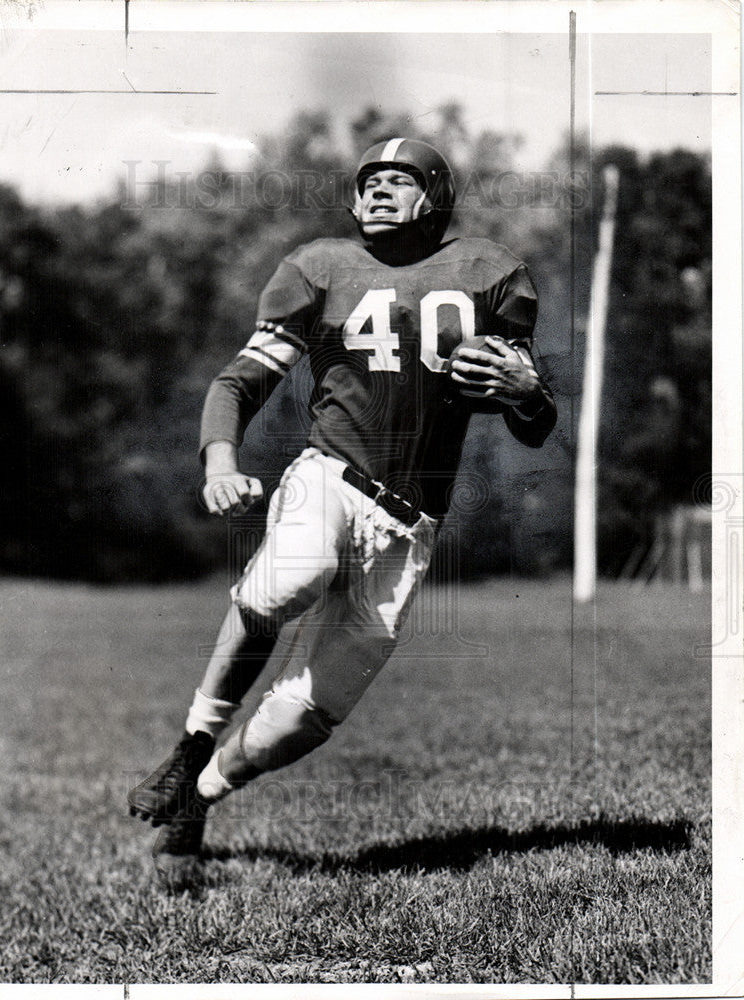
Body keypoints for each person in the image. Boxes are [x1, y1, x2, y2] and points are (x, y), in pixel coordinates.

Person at [127, 137, 557, 886]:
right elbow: (236, 384)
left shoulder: (491, 274)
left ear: (436, 196)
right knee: (290, 577)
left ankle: (198, 794)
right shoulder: (317, 267)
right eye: (369, 181)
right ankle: (191, 744)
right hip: (330, 476)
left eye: (399, 180)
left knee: (304, 717)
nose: (378, 192)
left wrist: (528, 391)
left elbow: (533, 421)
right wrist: (221, 462)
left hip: (411, 525)